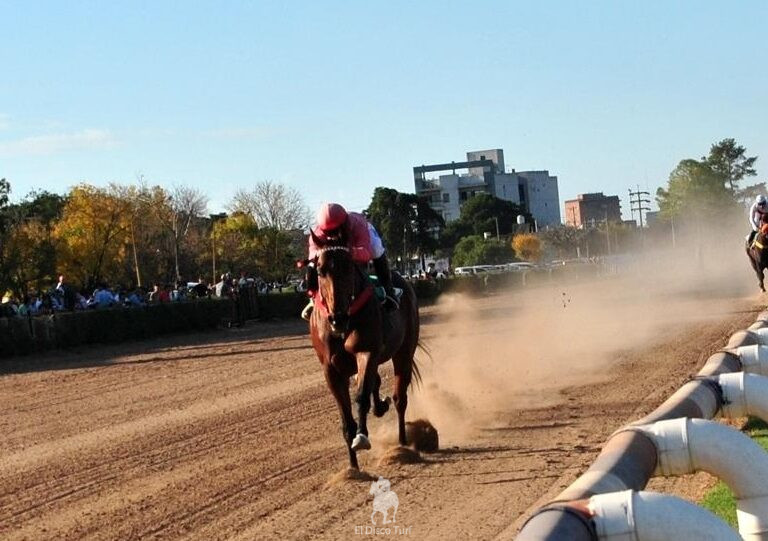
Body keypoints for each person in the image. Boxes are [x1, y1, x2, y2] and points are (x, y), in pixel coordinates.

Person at [302, 202, 398, 321]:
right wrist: (319, 255)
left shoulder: (358, 226)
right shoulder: (318, 233)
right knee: (313, 263)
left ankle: (388, 290)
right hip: (342, 247)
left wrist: (351, 252)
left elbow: (366, 253)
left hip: (359, 241)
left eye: (336, 231)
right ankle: (313, 298)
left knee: (376, 249)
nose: (333, 236)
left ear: (344, 224)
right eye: (329, 233)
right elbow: (312, 253)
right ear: (323, 229)